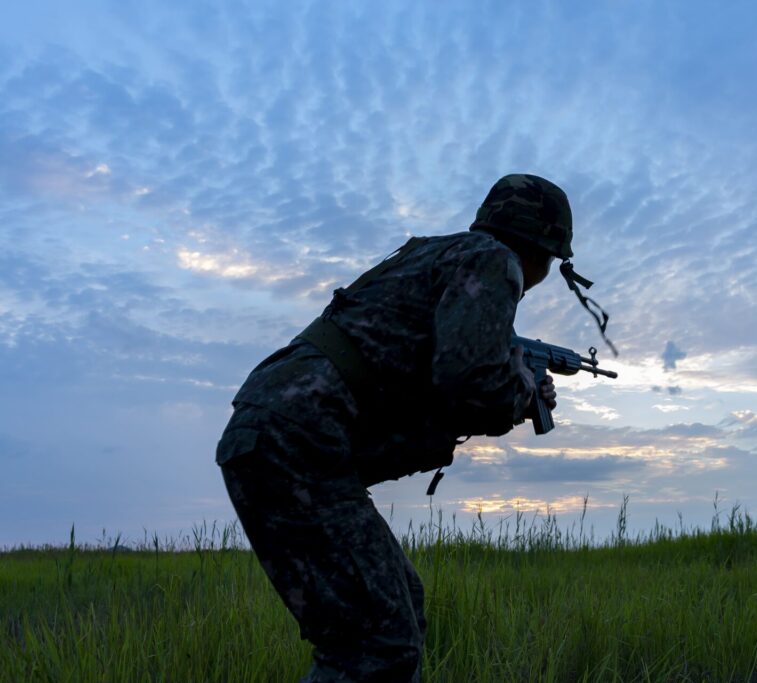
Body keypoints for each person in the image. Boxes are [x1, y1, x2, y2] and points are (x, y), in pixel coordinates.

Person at [216, 174, 607, 682]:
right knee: (378, 640)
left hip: (274, 430)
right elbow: (471, 379)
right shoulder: (493, 261)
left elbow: (424, 378)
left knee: (393, 609)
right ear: (546, 249)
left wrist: (517, 381)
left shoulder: (436, 256)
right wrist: (524, 390)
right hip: (301, 436)